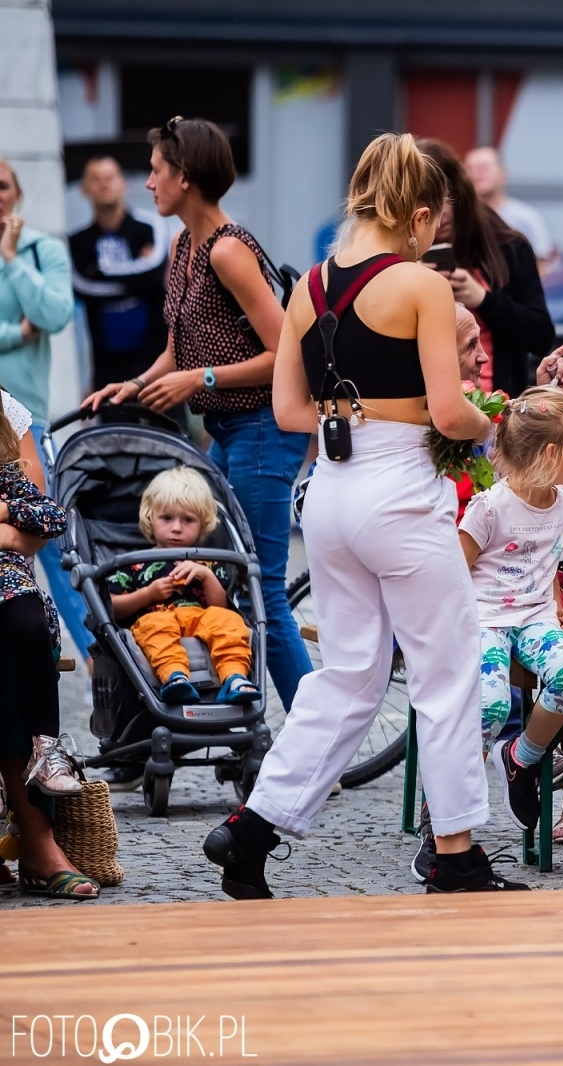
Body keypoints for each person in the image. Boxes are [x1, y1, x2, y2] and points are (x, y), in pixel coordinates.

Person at [202, 131, 524, 897]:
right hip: (400, 486)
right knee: (445, 674)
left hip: (332, 491)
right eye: (433, 223)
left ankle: (252, 827)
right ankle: (454, 854)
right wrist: (494, 422)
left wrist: (353, 410)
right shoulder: (419, 284)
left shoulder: (309, 284)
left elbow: (286, 409)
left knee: (346, 675)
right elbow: (449, 413)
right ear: (416, 213)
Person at [82, 119, 313, 728]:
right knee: (236, 577)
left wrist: (201, 380)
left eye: (157, 169)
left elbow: (282, 351)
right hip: (232, 429)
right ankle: (278, 718)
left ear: (185, 177)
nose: (149, 180)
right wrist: (133, 386)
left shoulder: (229, 249)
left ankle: (317, 737)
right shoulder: (184, 246)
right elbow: (178, 348)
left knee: (259, 582)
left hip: (266, 426)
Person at [463, 386, 563, 836]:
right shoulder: (489, 508)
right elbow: (453, 575)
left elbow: (550, 563)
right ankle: (442, 814)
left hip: (535, 620)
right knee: (491, 705)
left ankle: (521, 758)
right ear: (553, 453)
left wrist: (558, 606)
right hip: (484, 619)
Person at [0, 388, 97, 900]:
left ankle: (37, 839)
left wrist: (5, 525)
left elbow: (37, 524)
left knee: (22, 635)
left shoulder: (4, 411)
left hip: (6, 582)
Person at [0, 155, 90, 666]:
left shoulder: (41, 250)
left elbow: (55, 314)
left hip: (25, 420)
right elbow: (32, 323)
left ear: (18, 193)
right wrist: (16, 332)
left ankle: (99, 668)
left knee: (58, 547)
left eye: (3, 185)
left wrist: (12, 260)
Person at [107, 466, 258, 705]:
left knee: (230, 622)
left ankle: (235, 676)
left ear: (203, 523)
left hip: (202, 618)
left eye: (188, 520)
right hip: (157, 617)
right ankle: (175, 677)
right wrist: (149, 594)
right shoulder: (135, 563)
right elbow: (113, 607)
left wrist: (206, 576)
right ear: (150, 517)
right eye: (167, 518)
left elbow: (221, 607)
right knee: (154, 625)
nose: (176, 528)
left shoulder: (209, 561)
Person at [418, 140, 556, 398]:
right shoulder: (404, 255)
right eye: (426, 203)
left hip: (496, 406)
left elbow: (541, 335)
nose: (441, 214)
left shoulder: (508, 247)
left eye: (447, 198)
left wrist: (481, 298)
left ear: (462, 193)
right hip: (424, 410)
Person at [70, 157, 168, 390]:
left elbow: (155, 273)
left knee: (167, 425)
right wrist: (136, 276)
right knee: (115, 426)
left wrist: (100, 271)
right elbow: (82, 287)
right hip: (107, 363)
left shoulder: (149, 226)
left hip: (157, 357)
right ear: (84, 189)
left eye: (110, 177)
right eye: (96, 179)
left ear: (124, 184)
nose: (104, 184)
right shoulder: (78, 241)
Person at [463, 146, 558, 273]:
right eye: (470, 169)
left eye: (484, 168)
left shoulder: (527, 218)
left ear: (503, 174)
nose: (477, 174)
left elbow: (541, 268)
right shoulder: (457, 218)